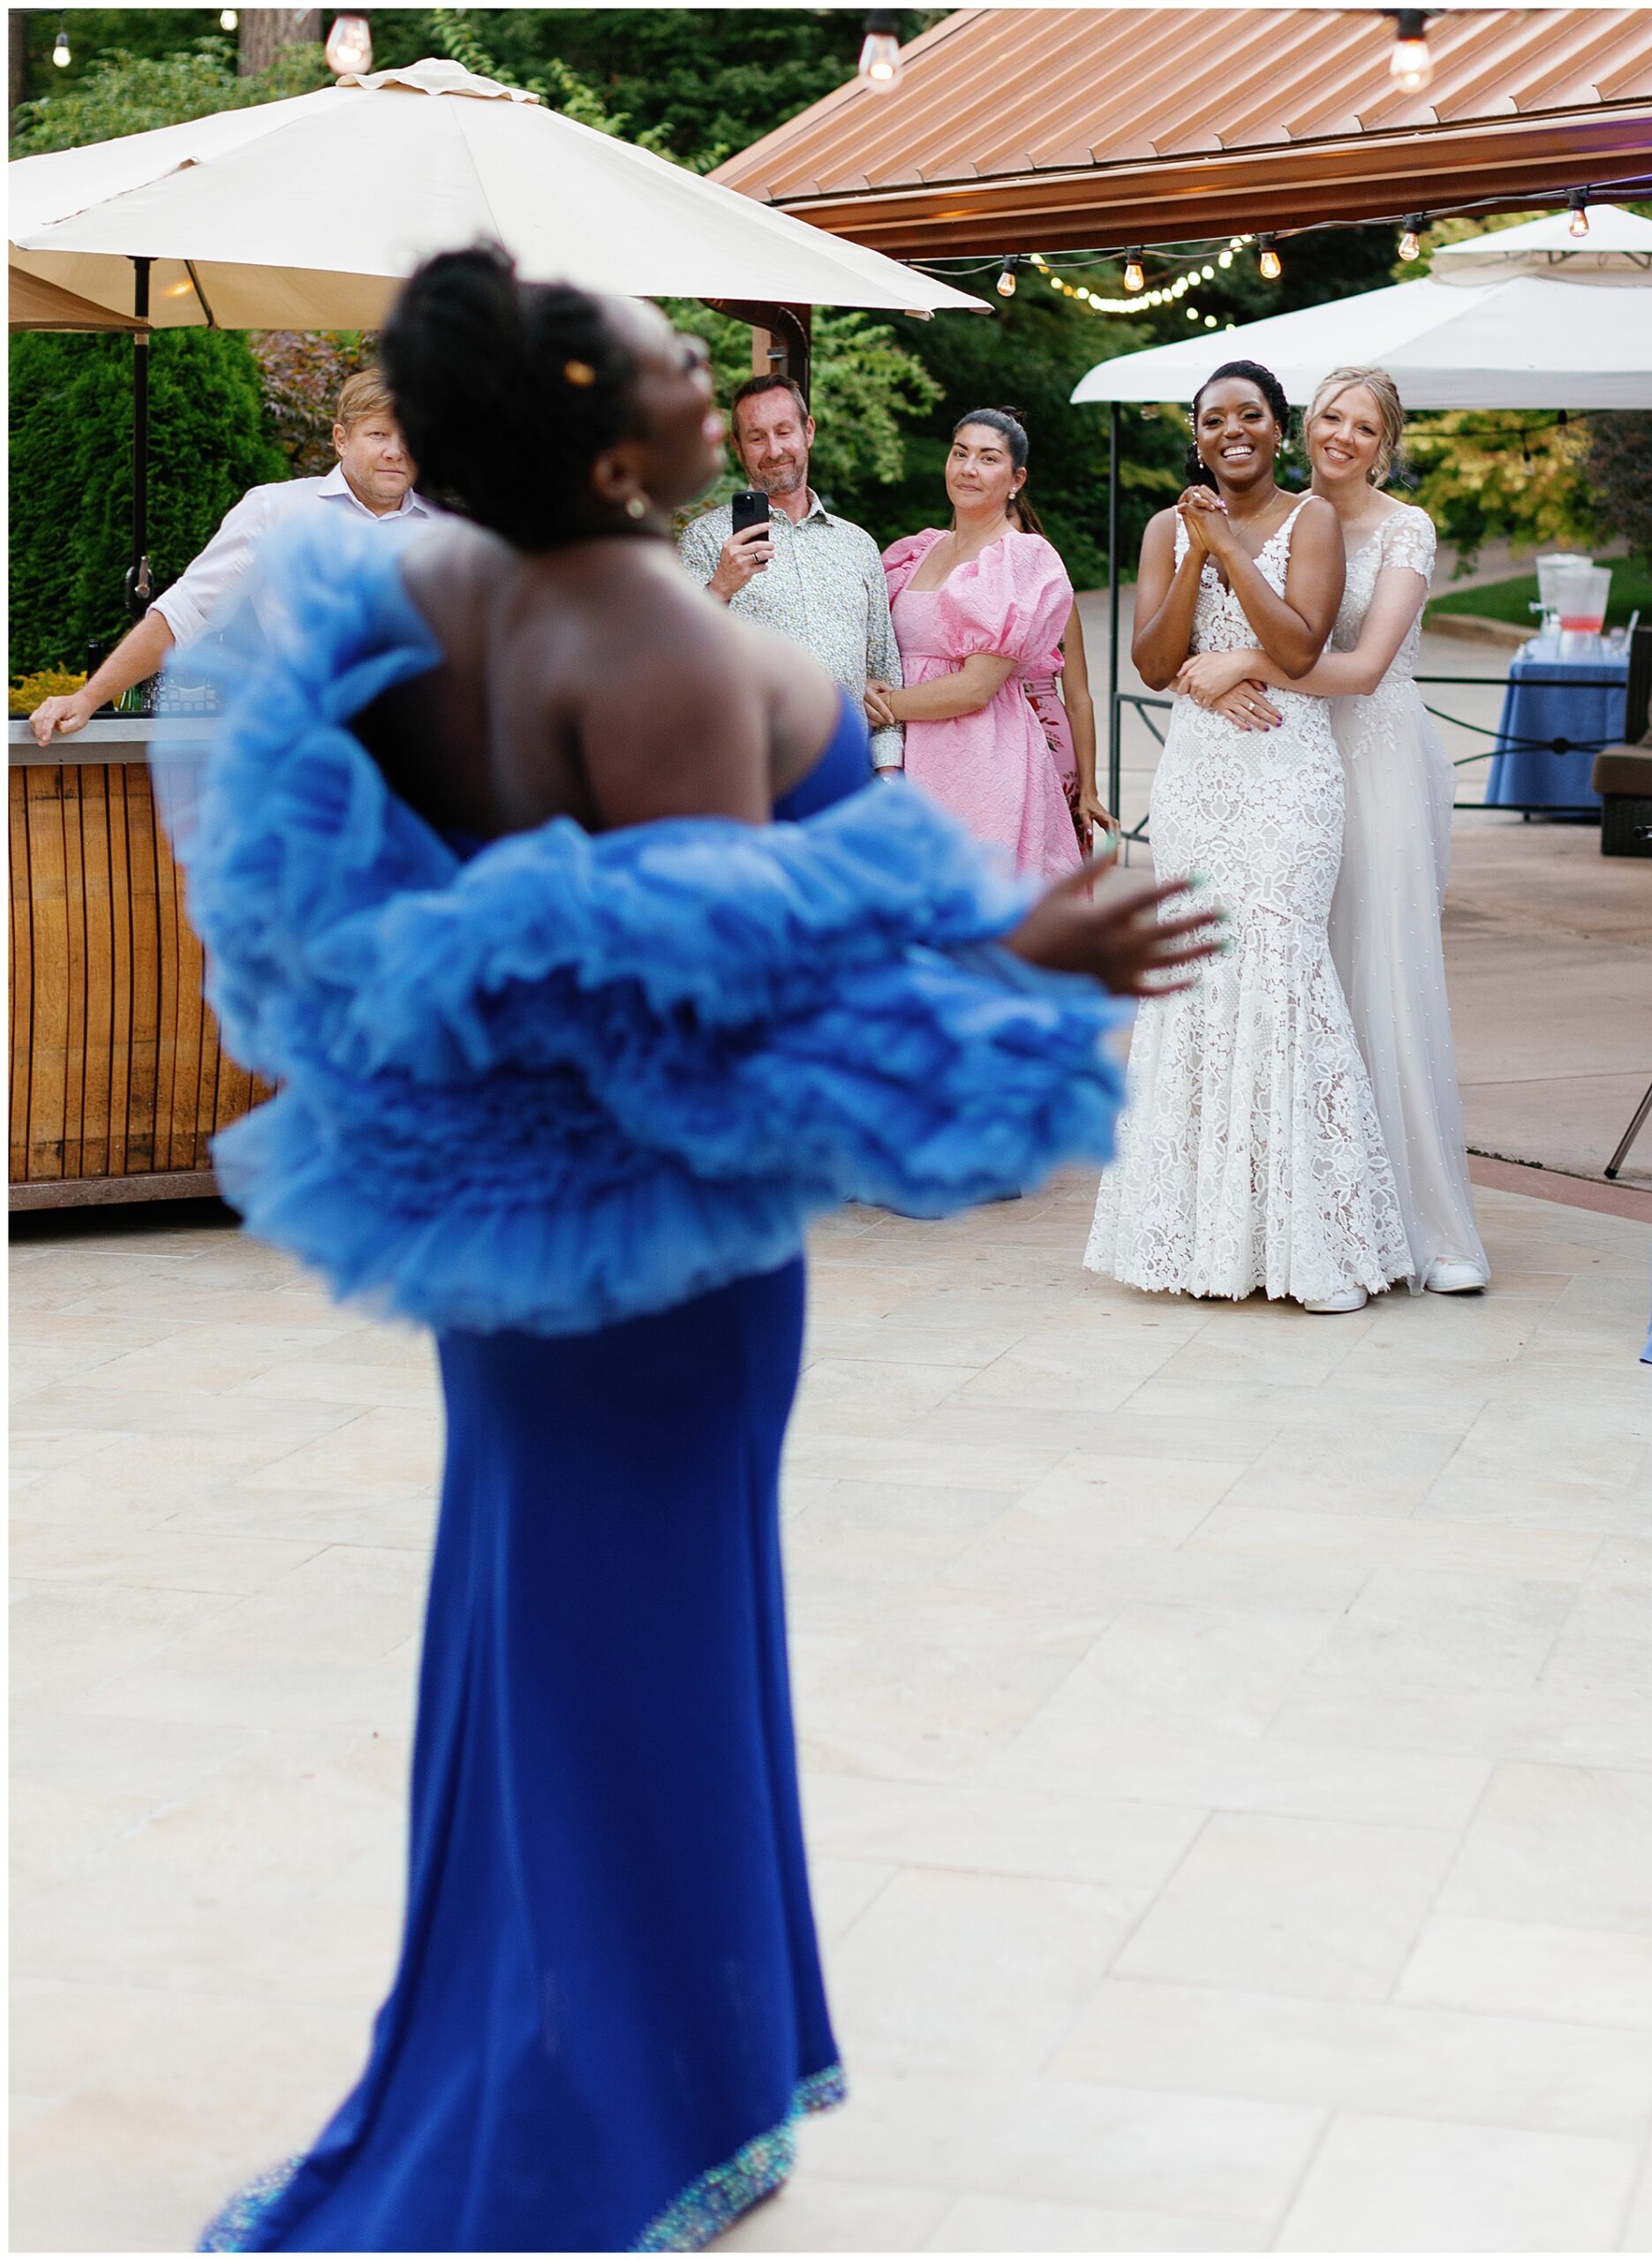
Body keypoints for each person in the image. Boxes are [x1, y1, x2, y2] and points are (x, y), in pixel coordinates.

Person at [175, 247, 1222, 2255]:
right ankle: (607, 2122)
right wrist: (1023, 941)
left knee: (549, 1636)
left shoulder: (429, 607)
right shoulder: (649, 637)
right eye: (673, 355)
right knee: (632, 1650)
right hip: (661, 1271)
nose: (708, 375)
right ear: (602, 417)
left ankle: (656, 2069)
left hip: (522, 1256)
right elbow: (711, 1013)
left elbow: (450, 939)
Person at [1084, 359, 1411, 1312]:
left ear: (1276, 430)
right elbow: (1152, 660)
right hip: (1195, 779)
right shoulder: (1163, 528)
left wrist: (1228, 550)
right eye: (1212, 418)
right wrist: (1192, 553)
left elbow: (1303, 645)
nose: (1232, 430)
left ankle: (1309, 1245)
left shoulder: (1311, 520)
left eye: (1250, 415)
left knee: (1278, 966)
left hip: (1284, 775)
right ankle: (1198, 1240)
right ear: (1196, 437)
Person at [1173, 366, 1490, 1294]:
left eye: (1360, 425)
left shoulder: (1402, 528)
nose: (1339, 437)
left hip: (1376, 759)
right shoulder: (1278, 519)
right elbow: (1204, 622)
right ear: (1302, 427)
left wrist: (1240, 665)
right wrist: (1222, 667)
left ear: (1383, 443)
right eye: (1327, 418)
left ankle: (1428, 1225)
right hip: (1283, 766)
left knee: (1383, 976)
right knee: (1306, 987)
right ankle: (1315, 1213)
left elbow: (1355, 669)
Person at [27, 368, 437, 745]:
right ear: (340, 439)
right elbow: (186, 611)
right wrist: (87, 697)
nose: (395, 452)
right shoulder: (274, 510)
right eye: (379, 435)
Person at [874, 408, 1082, 879]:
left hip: (977, 758)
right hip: (904, 749)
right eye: (959, 453)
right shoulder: (919, 549)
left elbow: (975, 689)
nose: (968, 469)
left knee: (971, 906)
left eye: (988, 458)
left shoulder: (1018, 557)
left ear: (1016, 478)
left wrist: (879, 707)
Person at [676, 373, 904, 773]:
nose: (774, 449)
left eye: (784, 431)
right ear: (737, 447)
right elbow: (674, 664)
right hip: (750, 773)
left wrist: (887, 776)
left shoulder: (857, 545)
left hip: (846, 777)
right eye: (756, 436)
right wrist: (719, 589)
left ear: (808, 431)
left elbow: (883, 673)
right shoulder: (705, 540)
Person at [1022, 601, 1114, 856]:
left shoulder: (1056, 592)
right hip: (981, 735)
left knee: (1058, 857)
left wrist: (1089, 790)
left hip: (1051, 741)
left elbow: (1079, 700)